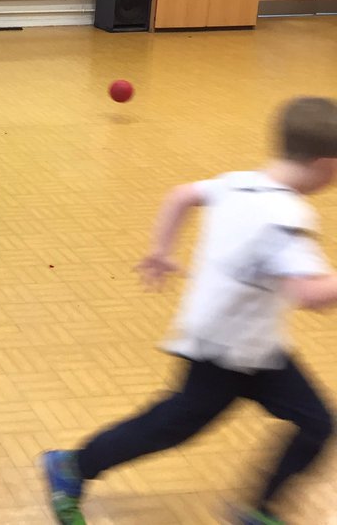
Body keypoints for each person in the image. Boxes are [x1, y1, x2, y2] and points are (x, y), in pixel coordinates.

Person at [41, 96, 337, 525]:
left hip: (254, 344)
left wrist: (160, 250)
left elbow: (180, 195)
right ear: (326, 164)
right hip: (224, 349)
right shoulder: (286, 217)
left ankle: (258, 512)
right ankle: (71, 465)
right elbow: (309, 295)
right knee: (170, 426)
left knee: (316, 422)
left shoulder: (239, 182)